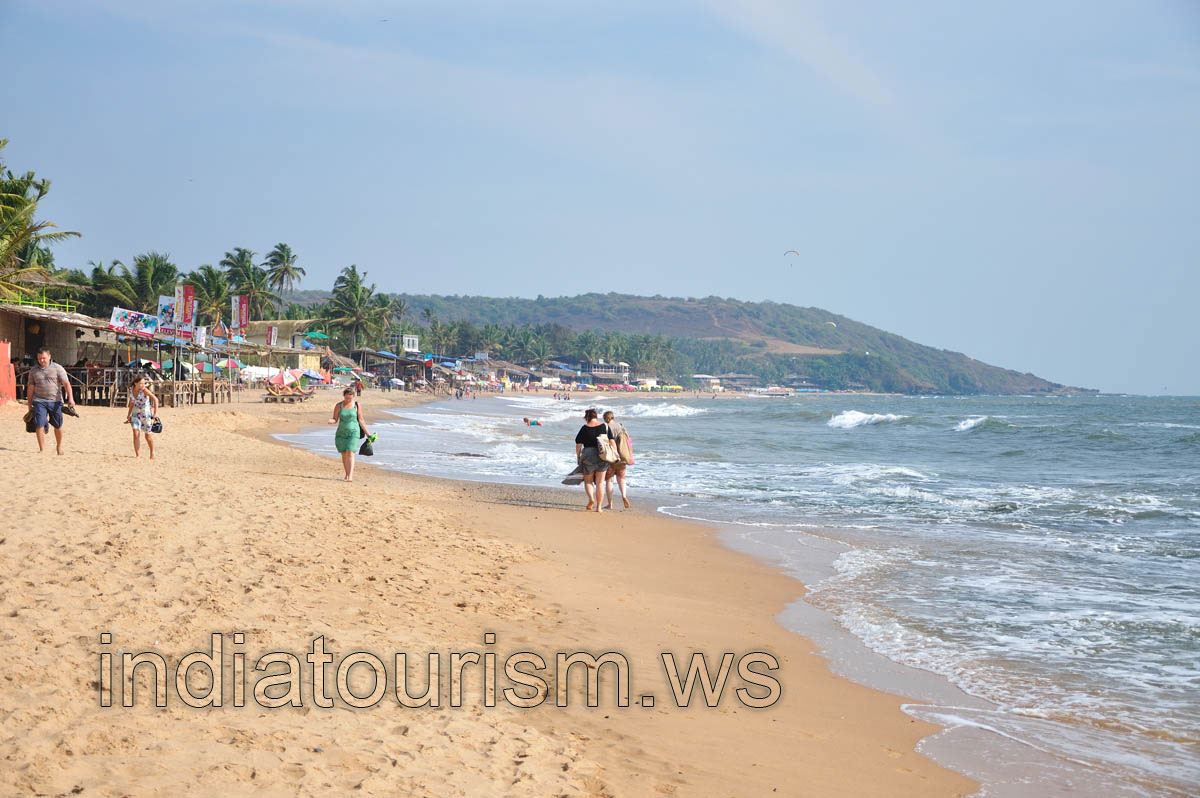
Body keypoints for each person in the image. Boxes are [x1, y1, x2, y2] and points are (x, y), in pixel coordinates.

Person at [26, 347, 75, 455]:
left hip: (56, 401)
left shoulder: (58, 368)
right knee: (39, 424)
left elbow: (66, 384)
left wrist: (70, 399)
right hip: (39, 401)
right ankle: (42, 449)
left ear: (49, 357)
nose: (41, 360)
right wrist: (29, 405)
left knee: (58, 425)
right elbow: (30, 388)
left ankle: (59, 447)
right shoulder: (33, 370)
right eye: (39, 358)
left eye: (43, 358)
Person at [573, 408, 614, 512]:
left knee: (588, 481)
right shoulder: (605, 426)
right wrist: (614, 455)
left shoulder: (584, 428)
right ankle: (599, 507)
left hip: (588, 455)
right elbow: (612, 442)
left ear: (587, 417)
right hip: (603, 455)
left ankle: (591, 499)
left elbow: (578, 445)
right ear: (596, 416)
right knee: (600, 482)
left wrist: (578, 456)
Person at [329, 387, 369, 482]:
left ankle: (350, 476)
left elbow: (361, 419)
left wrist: (368, 433)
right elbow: (335, 418)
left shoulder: (356, 405)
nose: (348, 400)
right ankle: (347, 474)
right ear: (344, 396)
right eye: (347, 398)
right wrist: (332, 420)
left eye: (350, 398)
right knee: (344, 454)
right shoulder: (339, 405)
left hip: (354, 432)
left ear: (353, 397)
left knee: (350, 452)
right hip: (341, 433)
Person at [124, 374, 160, 459]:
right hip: (135, 414)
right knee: (136, 434)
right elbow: (131, 403)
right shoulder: (131, 390)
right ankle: (138, 455)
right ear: (135, 383)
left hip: (146, 415)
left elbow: (155, 399)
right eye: (141, 383)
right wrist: (128, 415)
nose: (142, 385)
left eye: (144, 383)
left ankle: (152, 452)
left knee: (148, 435)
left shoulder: (144, 390)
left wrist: (155, 413)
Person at [601, 410, 631, 509]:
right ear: (613, 417)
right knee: (621, 479)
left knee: (609, 481)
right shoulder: (621, 426)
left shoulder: (605, 428)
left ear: (605, 418)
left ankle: (610, 504)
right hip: (622, 457)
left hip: (611, 458)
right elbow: (628, 441)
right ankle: (624, 496)